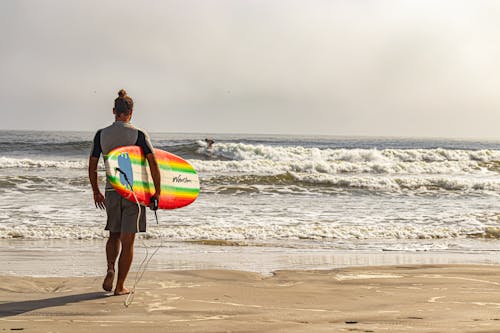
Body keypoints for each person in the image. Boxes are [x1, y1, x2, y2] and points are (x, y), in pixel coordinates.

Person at [88, 89, 161, 295]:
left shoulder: (101, 135)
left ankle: (110, 267)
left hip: (112, 190)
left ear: (114, 111)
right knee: (128, 241)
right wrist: (157, 191)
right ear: (131, 112)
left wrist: (96, 191)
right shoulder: (138, 134)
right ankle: (120, 286)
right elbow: (153, 163)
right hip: (134, 193)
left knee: (114, 235)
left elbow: (92, 165)